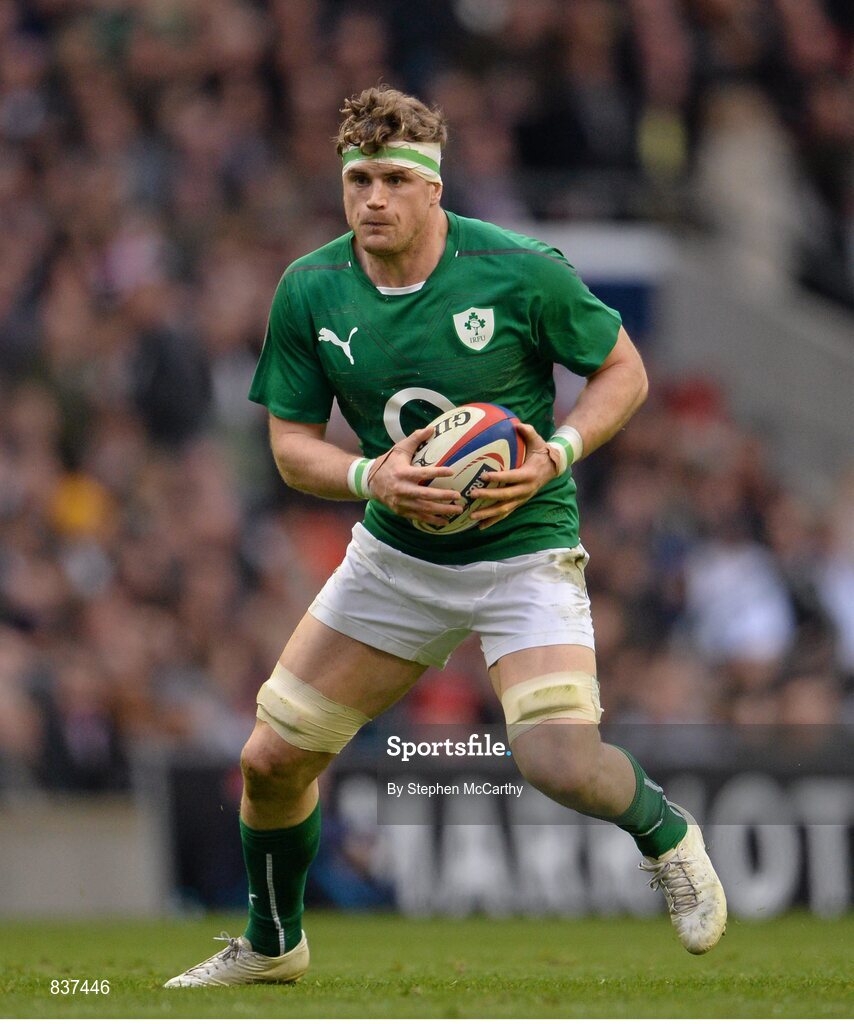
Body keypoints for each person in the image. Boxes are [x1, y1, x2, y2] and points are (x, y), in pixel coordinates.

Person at [165, 86, 726, 987]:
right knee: (270, 760)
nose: (372, 199)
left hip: (523, 550)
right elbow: (289, 447)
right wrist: (368, 475)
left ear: (434, 189)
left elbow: (623, 370)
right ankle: (272, 946)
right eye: (358, 180)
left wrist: (560, 452)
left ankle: (666, 833)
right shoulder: (311, 288)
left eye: (393, 179)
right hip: (397, 556)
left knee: (559, 763)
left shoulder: (517, 267)